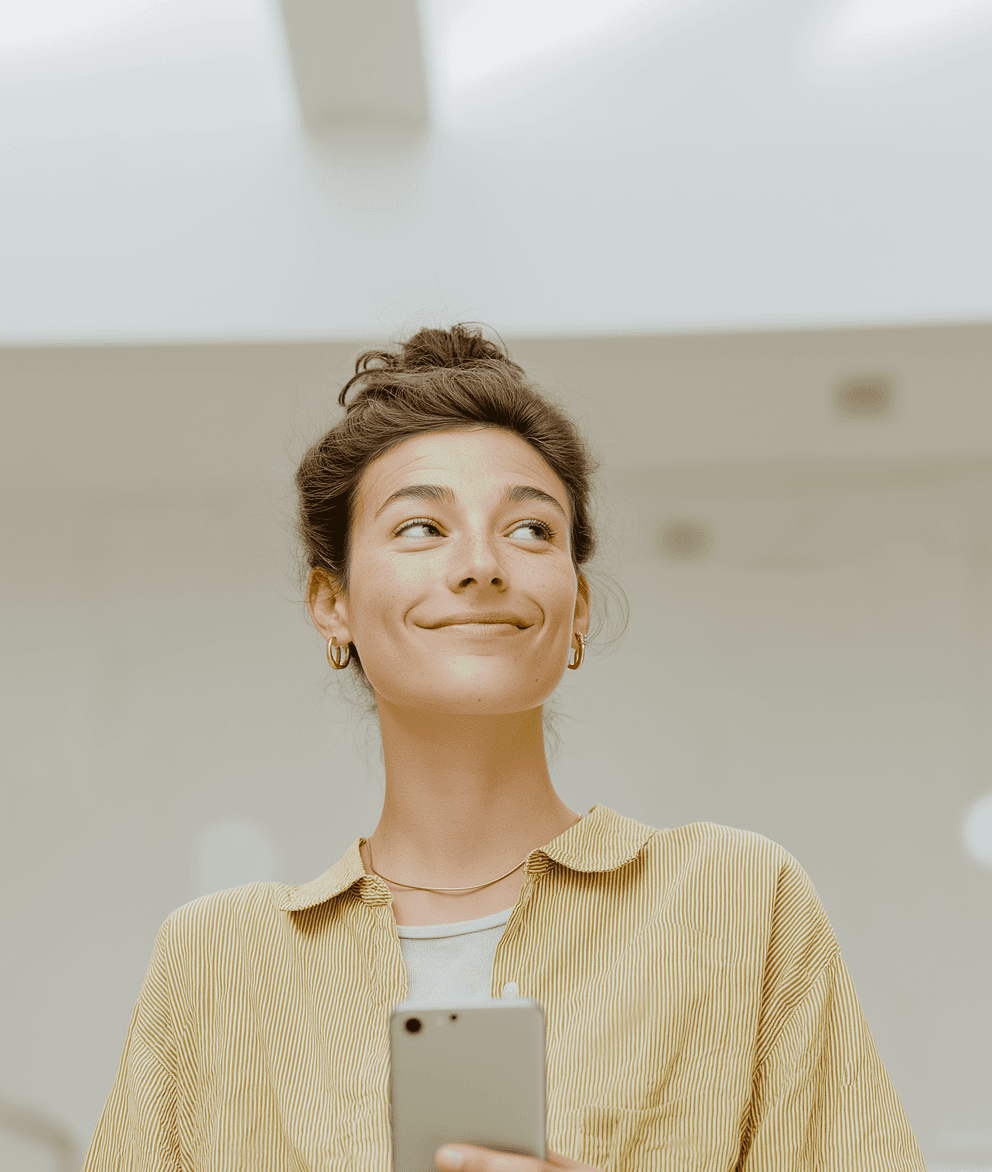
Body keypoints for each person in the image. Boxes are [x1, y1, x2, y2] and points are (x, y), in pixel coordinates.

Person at [83, 324, 925, 1172]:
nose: (482, 565)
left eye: (529, 530)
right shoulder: (215, 963)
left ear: (578, 607)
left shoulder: (741, 903)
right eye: (420, 527)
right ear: (330, 603)